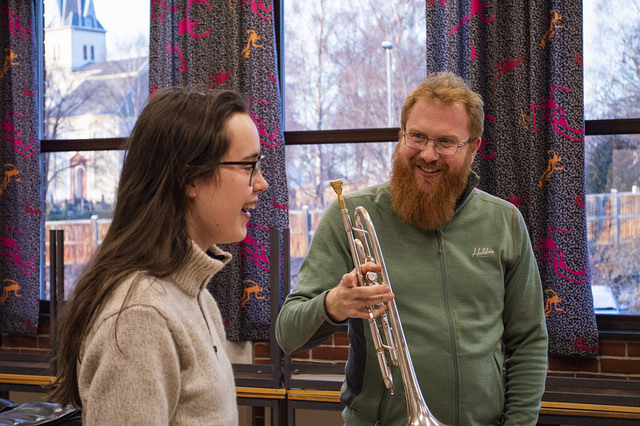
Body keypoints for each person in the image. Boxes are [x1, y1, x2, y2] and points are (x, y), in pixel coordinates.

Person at [276, 72, 548, 425]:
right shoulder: (353, 216)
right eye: (416, 136)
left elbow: (528, 340)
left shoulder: (505, 221)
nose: (428, 155)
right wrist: (334, 303)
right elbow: (287, 334)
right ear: (401, 134)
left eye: (446, 142)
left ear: (473, 148)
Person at [49, 87, 269, 425]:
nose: (262, 183)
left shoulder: (198, 298)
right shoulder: (141, 317)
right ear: (189, 178)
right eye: (248, 166)